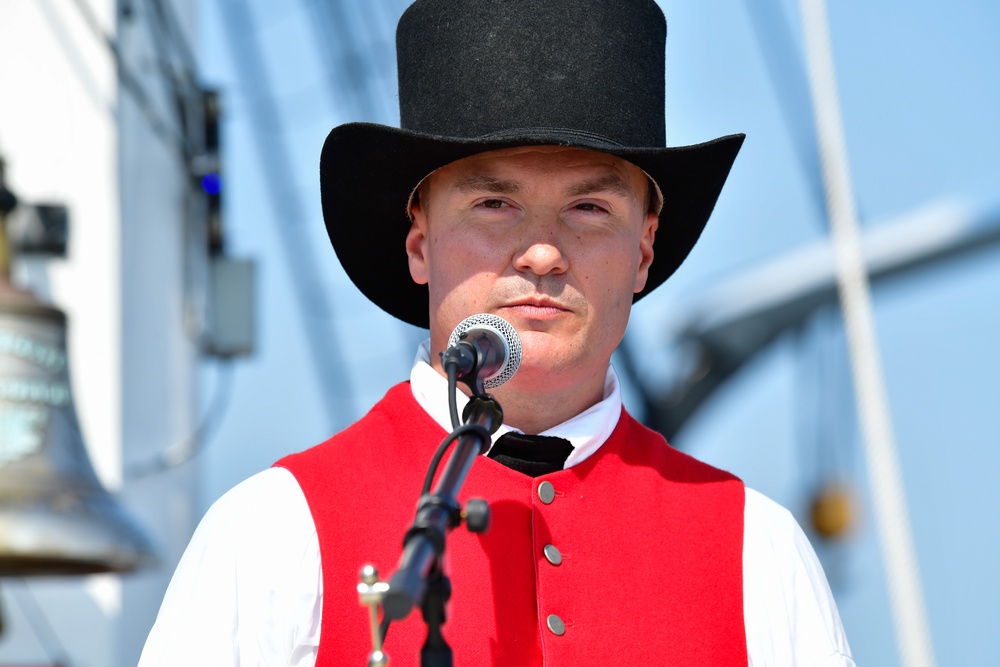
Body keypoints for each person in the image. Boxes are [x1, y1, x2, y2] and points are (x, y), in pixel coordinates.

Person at [139, 0, 855, 665]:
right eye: (494, 202)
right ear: (419, 243)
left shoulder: (758, 555)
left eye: (588, 207)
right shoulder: (270, 533)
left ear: (644, 249)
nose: (542, 252)